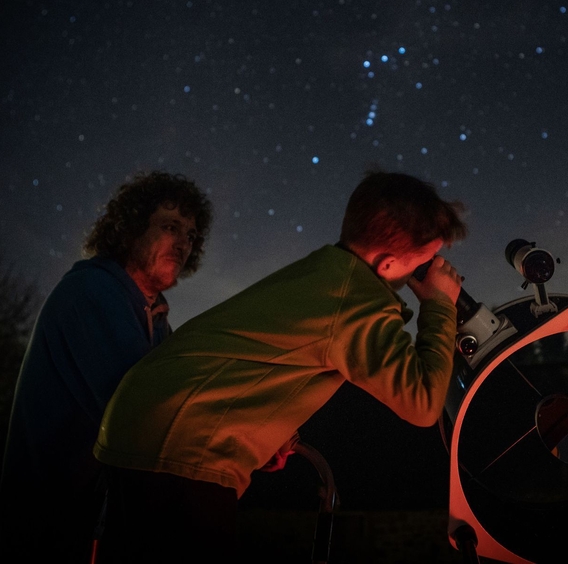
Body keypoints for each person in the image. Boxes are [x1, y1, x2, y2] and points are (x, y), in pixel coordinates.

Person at [93, 170, 467, 562]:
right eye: (422, 264)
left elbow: (260, 361)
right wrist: (440, 305)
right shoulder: (357, 300)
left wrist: (266, 432)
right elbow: (423, 403)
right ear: (388, 264)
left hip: (143, 425)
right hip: (181, 447)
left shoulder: (324, 275)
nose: (426, 273)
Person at [0, 170, 213, 563]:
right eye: (171, 227)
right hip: (39, 528)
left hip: (77, 525)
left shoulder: (156, 316)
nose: (184, 242)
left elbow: (182, 392)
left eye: (191, 235)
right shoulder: (90, 292)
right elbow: (147, 409)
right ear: (130, 228)